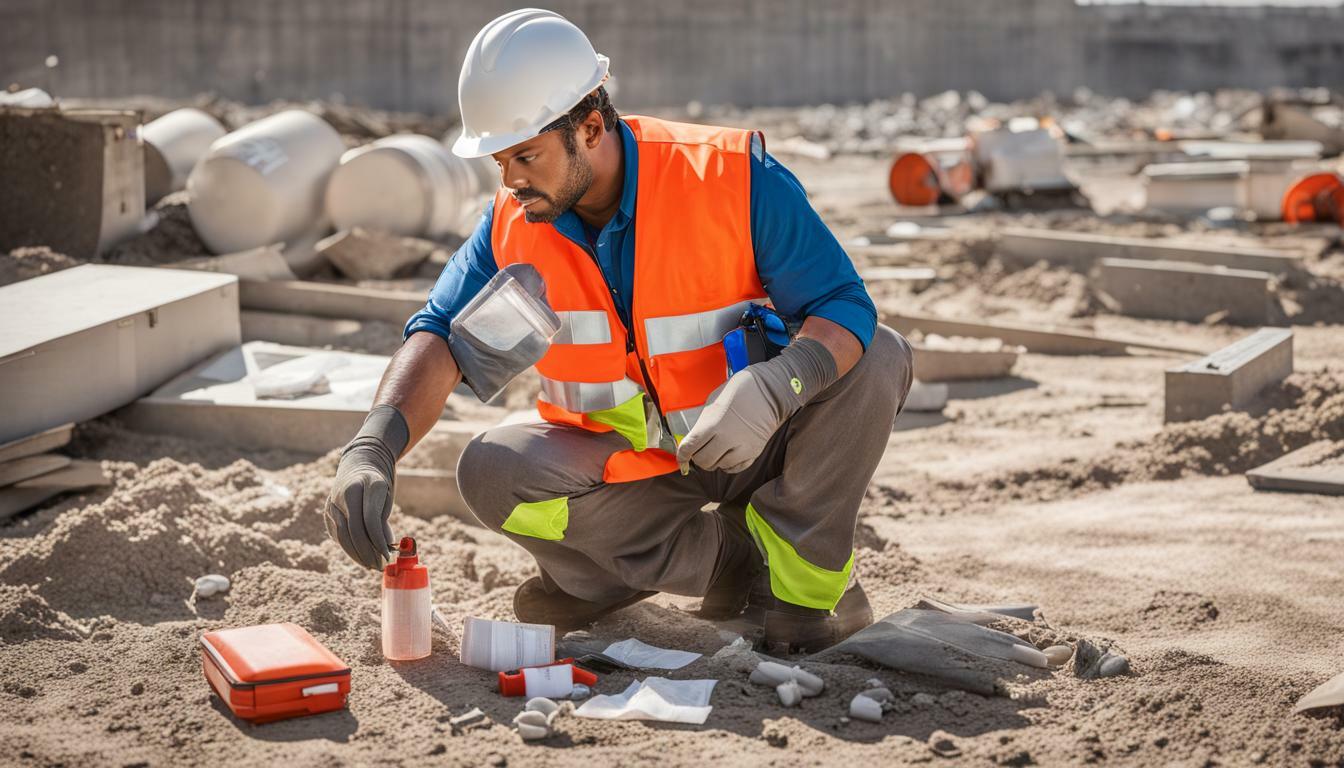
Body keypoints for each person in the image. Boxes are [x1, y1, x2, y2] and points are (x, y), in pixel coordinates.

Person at [324, 8, 913, 652]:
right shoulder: (514, 221)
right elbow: (439, 335)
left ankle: (801, 592)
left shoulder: (728, 176)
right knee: (491, 470)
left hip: (754, 441)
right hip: (634, 468)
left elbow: (844, 305)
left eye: (526, 155)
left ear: (592, 126)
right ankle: (724, 566)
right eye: (500, 161)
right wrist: (373, 447)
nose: (511, 180)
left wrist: (778, 385)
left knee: (877, 357)